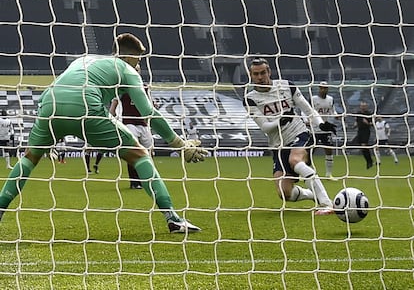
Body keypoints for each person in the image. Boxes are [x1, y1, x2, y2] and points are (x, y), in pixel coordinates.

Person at [0, 33, 208, 233]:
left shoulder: (83, 60)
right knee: (139, 154)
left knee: (29, 158)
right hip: (86, 104)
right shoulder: (127, 70)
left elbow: (53, 89)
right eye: (139, 59)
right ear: (128, 56)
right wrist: (179, 144)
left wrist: (51, 128)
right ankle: (173, 218)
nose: (140, 64)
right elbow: (148, 112)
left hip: (50, 103)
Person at [244, 58, 337, 215]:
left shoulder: (287, 86)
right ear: (251, 75)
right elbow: (266, 127)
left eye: (263, 73)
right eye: (256, 74)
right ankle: (314, 194)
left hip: (299, 133)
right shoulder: (250, 99)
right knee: (285, 193)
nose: (260, 77)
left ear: (269, 72)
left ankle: (327, 203)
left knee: (295, 161)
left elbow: (308, 110)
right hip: (278, 145)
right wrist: (280, 121)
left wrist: (320, 124)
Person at [109, 73, 153, 190]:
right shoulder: (123, 86)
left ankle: (147, 179)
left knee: (148, 152)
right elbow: (115, 100)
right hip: (129, 122)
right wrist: (112, 111)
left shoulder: (145, 86)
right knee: (133, 151)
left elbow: (149, 102)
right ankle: (134, 182)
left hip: (143, 123)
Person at [309, 82, 338, 179]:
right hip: (315, 129)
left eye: (325, 88)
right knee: (309, 151)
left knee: (329, 150)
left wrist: (337, 115)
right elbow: (305, 110)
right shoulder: (313, 99)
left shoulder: (330, 99)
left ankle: (328, 174)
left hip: (326, 129)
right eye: (322, 88)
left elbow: (332, 111)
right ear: (319, 88)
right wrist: (305, 120)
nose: (323, 90)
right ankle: (304, 174)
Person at [354, 101, 374, 169]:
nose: (363, 107)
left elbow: (372, 123)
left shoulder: (368, 114)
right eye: (362, 106)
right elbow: (357, 121)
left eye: (364, 106)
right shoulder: (358, 113)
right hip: (360, 131)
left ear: (366, 106)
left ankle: (369, 161)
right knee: (362, 147)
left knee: (364, 145)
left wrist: (367, 123)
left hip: (366, 131)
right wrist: (355, 125)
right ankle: (369, 161)